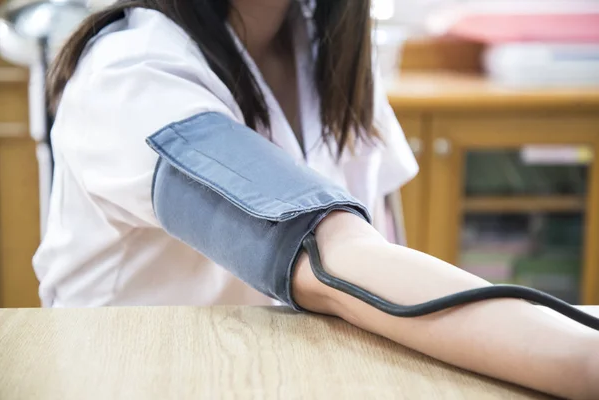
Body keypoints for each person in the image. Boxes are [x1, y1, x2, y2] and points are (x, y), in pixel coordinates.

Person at [35, 1, 597, 398]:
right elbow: (328, 254)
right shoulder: (129, 76)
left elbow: (387, 258)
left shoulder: (330, 53)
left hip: (294, 371)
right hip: (131, 379)